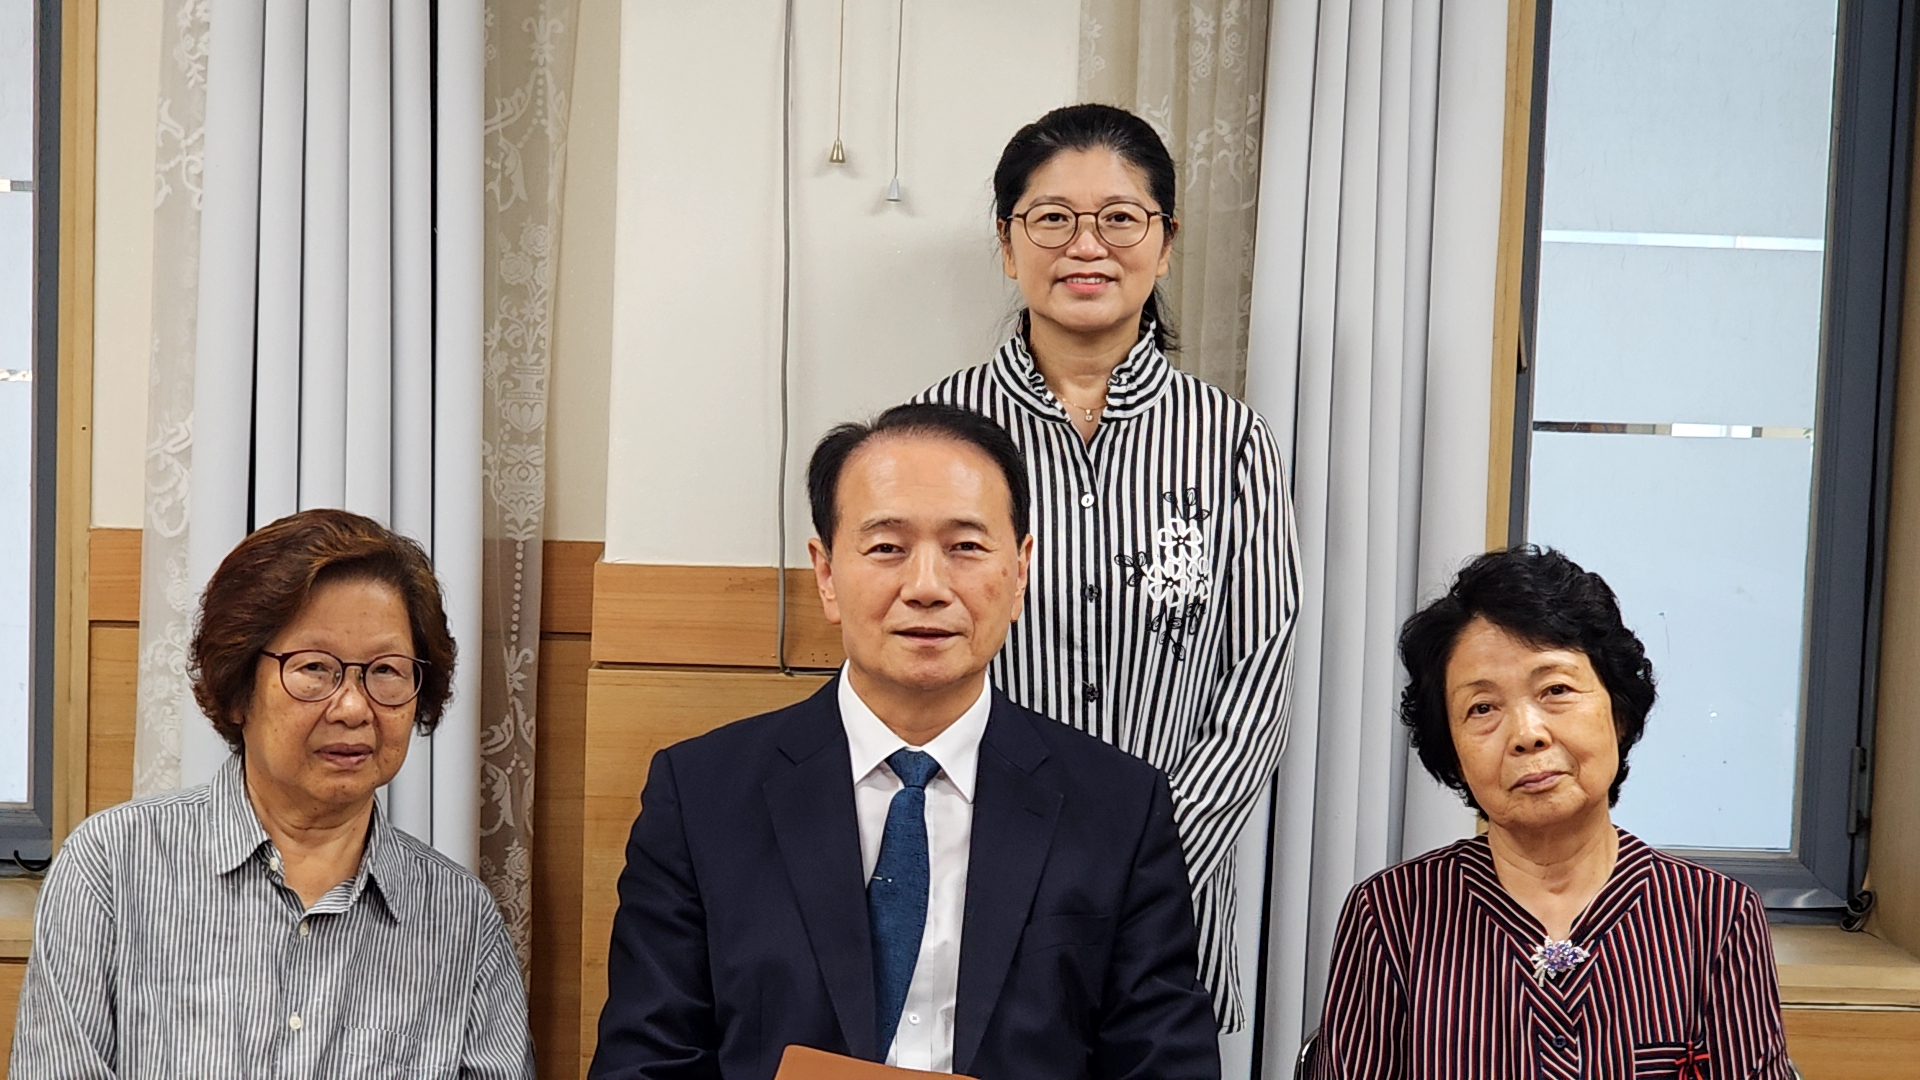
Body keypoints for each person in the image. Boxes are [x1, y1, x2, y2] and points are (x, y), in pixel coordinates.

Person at [589, 404, 1220, 1080]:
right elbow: (646, 1061)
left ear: (1020, 572)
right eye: (887, 548)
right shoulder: (702, 797)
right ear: (826, 574)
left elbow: (1164, 1066)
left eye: (965, 547)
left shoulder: (1119, 808)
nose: (926, 587)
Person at [918, 102, 1300, 1029]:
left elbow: (1257, 676)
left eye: (1120, 218)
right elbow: (912, 658)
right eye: (1052, 218)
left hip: (1169, 898)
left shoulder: (1230, 442)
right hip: (974, 883)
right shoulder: (936, 436)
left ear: (1164, 245)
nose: (1085, 245)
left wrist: (1147, 857)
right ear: (1007, 245)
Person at [8, 509, 535, 1080]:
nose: (353, 707)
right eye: (314, 668)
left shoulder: (460, 918)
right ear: (238, 688)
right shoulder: (112, 866)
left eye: (386, 670)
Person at [1309, 546, 1791, 1079]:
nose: (1527, 734)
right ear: (1453, 751)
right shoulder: (1390, 916)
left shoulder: (1715, 917)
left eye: (1556, 689)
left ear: (1619, 710)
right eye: (1482, 708)